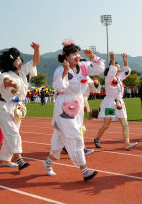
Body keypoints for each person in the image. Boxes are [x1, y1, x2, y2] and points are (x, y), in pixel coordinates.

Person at [43, 39, 104, 181]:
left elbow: (100, 68)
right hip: (64, 106)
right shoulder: (60, 70)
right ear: (66, 56)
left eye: (77, 53)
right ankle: (85, 170)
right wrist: (65, 71)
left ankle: (48, 162)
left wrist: (92, 57)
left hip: (78, 105)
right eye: (73, 54)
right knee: (76, 136)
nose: (76, 56)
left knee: (59, 142)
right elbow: (59, 88)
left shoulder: (83, 66)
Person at [0, 43, 40, 170]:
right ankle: (19, 159)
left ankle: (5, 158)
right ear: (10, 62)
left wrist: (37, 50)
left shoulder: (24, 71)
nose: (19, 61)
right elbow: (6, 81)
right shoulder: (4, 75)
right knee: (13, 133)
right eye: (16, 60)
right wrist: (11, 84)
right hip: (4, 106)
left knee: (11, 133)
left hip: (18, 108)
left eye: (20, 58)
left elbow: (35, 61)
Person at [94, 52, 137, 150]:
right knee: (106, 125)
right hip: (110, 104)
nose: (119, 68)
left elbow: (126, 72)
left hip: (120, 103)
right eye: (117, 67)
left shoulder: (119, 78)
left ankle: (127, 142)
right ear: (112, 68)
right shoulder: (109, 78)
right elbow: (112, 71)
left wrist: (125, 61)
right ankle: (97, 138)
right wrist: (112, 60)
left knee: (125, 123)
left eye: (119, 67)